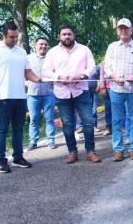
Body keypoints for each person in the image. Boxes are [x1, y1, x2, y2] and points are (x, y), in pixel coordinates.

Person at [43, 24, 101, 164]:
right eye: (64, 34)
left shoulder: (84, 49)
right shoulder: (52, 52)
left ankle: (90, 151)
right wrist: (59, 77)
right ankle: (72, 152)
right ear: (59, 36)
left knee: (87, 122)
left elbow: (93, 67)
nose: (67, 36)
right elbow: (46, 71)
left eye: (69, 34)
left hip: (81, 91)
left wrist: (82, 76)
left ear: (73, 35)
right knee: (68, 124)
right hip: (62, 93)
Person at [0, 22, 42, 173]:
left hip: (20, 97)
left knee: (18, 129)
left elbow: (27, 73)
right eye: (11, 37)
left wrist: (39, 79)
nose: (14, 39)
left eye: (16, 36)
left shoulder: (21, 52)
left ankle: (17, 157)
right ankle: (0, 160)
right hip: (2, 97)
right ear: (3, 35)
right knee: (1, 130)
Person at [104, 18, 133, 161]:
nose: (123, 31)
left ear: (131, 30)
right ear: (117, 31)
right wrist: (115, 77)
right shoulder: (112, 47)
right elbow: (107, 68)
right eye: (120, 28)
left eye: (126, 28)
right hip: (116, 89)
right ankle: (118, 150)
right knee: (117, 120)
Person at [27, 37, 57, 150]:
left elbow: (56, 73)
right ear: (35, 45)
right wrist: (25, 82)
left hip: (48, 94)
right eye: (41, 44)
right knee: (34, 119)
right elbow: (23, 72)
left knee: (49, 118)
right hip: (32, 94)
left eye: (45, 44)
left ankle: (51, 140)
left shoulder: (51, 59)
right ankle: (33, 141)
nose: (43, 46)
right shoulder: (28, 58)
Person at [76, 64, 101, 134]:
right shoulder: (80, 66)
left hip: (94, 91)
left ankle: (94, 125)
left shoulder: (96, 67)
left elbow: (100, 78)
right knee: (81, 109)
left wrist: (99, 86)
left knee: (94, 109)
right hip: (82, 91)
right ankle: (81, 126)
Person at [99, 61, 112, 136]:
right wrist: (102, 87)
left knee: (119, 109)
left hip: (120, 88)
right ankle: (108, 127)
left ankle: (120, 127)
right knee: (108, 108)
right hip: (108, 88)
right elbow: (101, 75)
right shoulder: (105, 62)